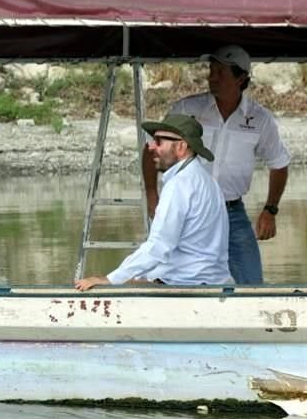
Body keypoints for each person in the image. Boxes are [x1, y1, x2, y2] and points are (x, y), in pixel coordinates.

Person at [142, 45, 290, 285]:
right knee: (169, 285)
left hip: (232, 213)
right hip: (186, 212)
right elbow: (152, 149)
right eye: (212, 70)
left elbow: (279, 163)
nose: (212, 77)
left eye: (220, 72)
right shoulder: (187, 109)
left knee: (252, 287)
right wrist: (151, 194)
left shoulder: (261, 119)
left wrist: (270, 210)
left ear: (241, 78)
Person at [76, 115, 231, 291]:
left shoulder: (179, 184)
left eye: (158, 141)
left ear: (181, 147)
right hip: (213, 279)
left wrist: (111, 279)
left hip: (187, 281)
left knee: (120, 284)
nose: (150, 147)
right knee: (137, 277)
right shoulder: (206, 180)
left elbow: (159, 246)